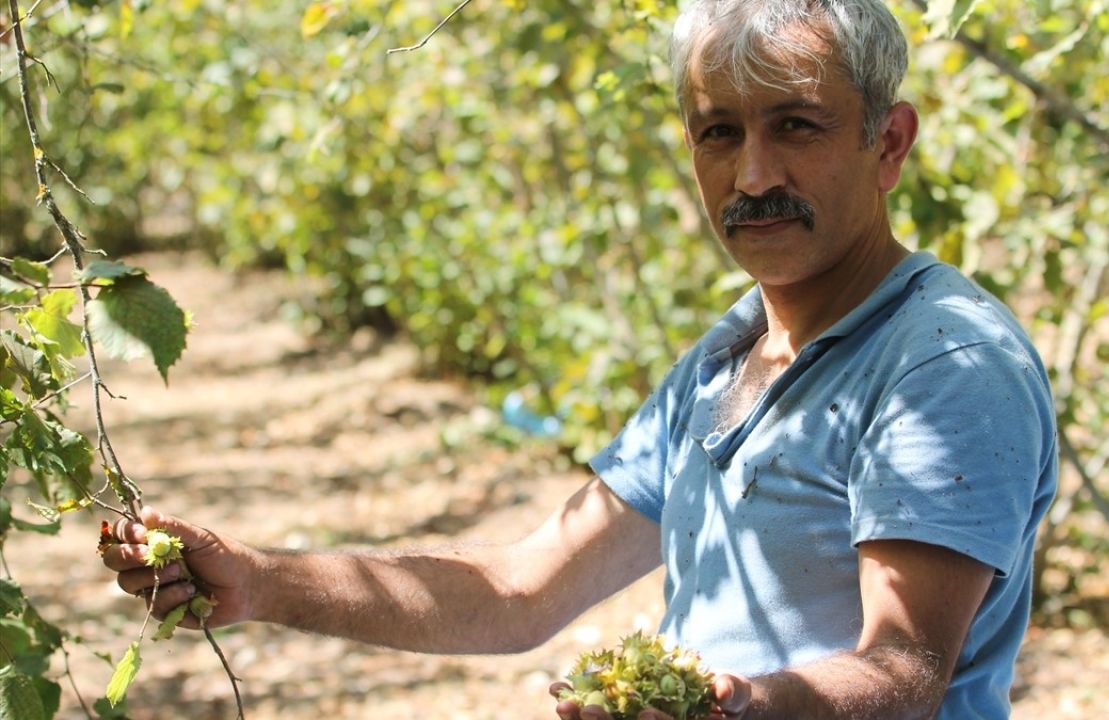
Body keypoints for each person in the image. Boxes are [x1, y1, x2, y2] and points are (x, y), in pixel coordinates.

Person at [102, 1, 1058, 717]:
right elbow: (523, 588)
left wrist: (727, 706)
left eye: (796, 125)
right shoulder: (731, 353)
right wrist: (261, 581)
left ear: (887, 142)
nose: (754, 174)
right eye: (719, 131)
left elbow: (905, 672)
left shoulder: (943, 365)